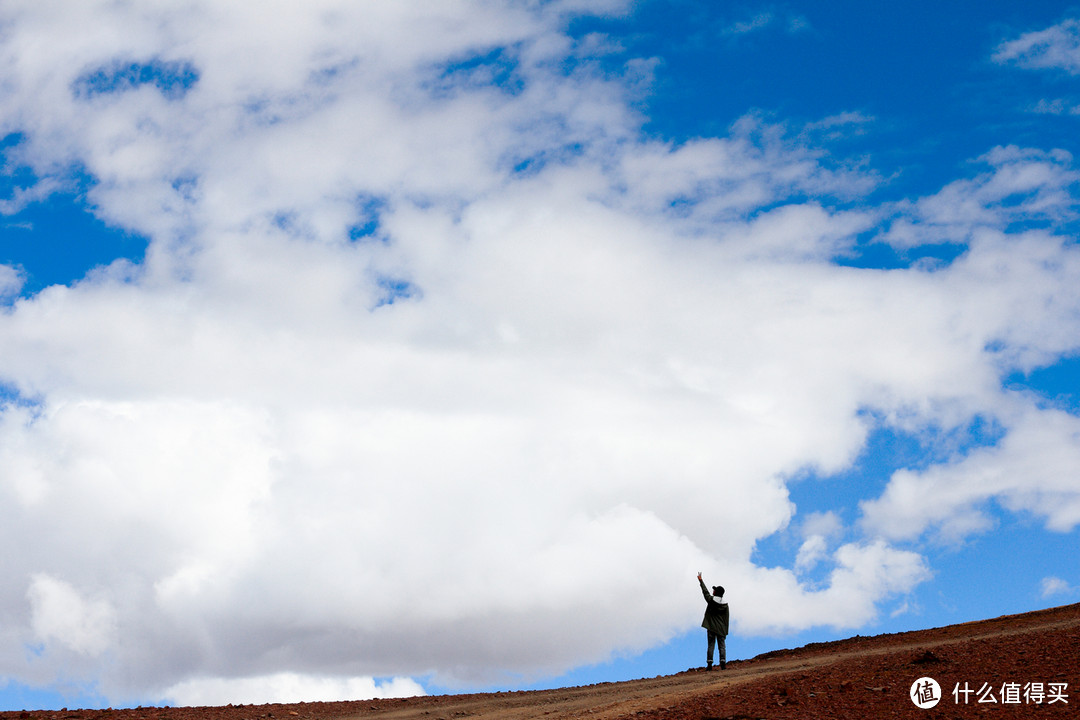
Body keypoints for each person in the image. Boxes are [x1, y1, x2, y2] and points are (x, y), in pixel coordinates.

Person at [697, 572, 728, 670]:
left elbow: (705, 592)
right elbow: (726, 619)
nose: (713, 591)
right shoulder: (725, 605)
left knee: (711, 645)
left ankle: (709, 664)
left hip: (711, 627)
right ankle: (722, 663)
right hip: (721, 628)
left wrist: (701, 581)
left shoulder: (711, 600)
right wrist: (725, 631)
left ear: (716, 593)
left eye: (714, 590)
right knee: (722, 646)